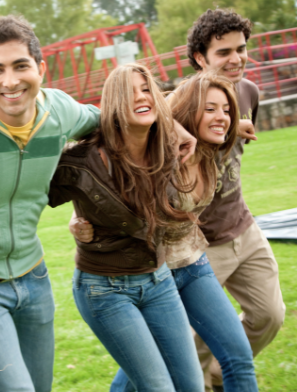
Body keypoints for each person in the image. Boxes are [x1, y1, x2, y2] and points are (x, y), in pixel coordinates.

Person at [0, 15, 102, 392]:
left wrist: (181, 123)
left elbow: (121, 119)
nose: (10, 81)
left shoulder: (59, 112)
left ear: (40, 68)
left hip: (35, 278)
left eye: (20, 66)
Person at [76, 73, 258, 391]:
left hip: (193, 263)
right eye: (211, 109)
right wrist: (78, 219)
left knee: (238, 356)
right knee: (146, 375)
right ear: (188, 113)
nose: (222, 117)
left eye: (227, 110)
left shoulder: (210, 153)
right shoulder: (159, 148)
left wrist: (229, 124)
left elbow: (176, 102)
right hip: (152, 273)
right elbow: (117, 129)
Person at [48, 63, 204, 391]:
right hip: (105, 289)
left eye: (146, 89)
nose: (141, 97)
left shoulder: (165, 148)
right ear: (113, 105)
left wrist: (241, 122)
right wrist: (74, 220)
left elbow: (219, 105)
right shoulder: (84, 159)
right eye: (129, 92)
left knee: (190, 385)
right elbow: (27, 194)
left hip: (158, 280)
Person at [187, 9, 285, 391]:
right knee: (191, 341)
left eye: (241, 49)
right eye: (223, 52)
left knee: (269, 316)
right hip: (199, 244)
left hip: (243, 226)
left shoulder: (248, 92)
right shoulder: (182, 101)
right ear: (200, 58)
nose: (236, 58)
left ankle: (217, 378)